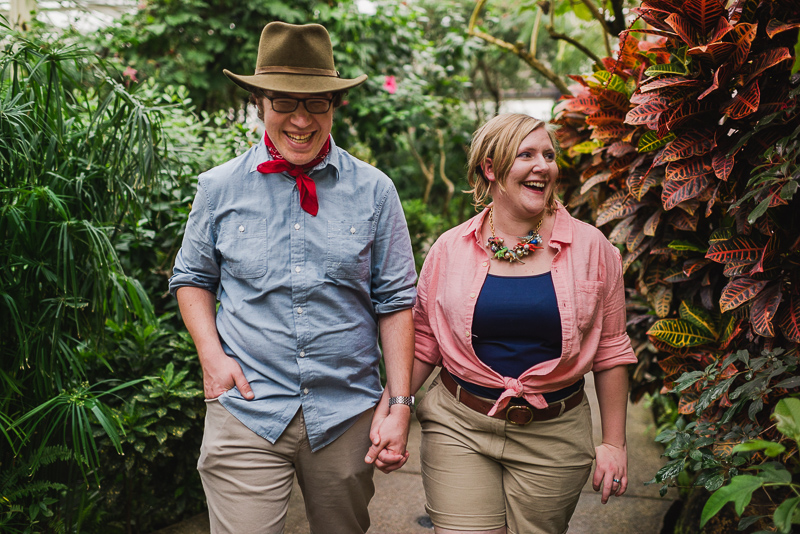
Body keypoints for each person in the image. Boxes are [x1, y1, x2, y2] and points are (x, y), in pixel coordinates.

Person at [169, 21, 417, 534]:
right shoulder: (218, 188)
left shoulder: (375, 191)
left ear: (335, 106)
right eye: (284, 102)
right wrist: (213, 360)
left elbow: (395, 302)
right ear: (260, 101)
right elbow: (192, 277)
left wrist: (399, 405)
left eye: (317, 103)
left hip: (345, 413)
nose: (301, 119)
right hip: (247, 409)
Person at [377, 113, 637, 533]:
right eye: (526, 154)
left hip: (554, 434)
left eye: (549, 155)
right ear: (491, 167)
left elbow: (612, 350)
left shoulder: (593, 249)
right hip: (459, 424)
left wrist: (613, 443)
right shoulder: (450, 250)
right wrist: (395, 409)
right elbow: (423, 341)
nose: (543, 166)